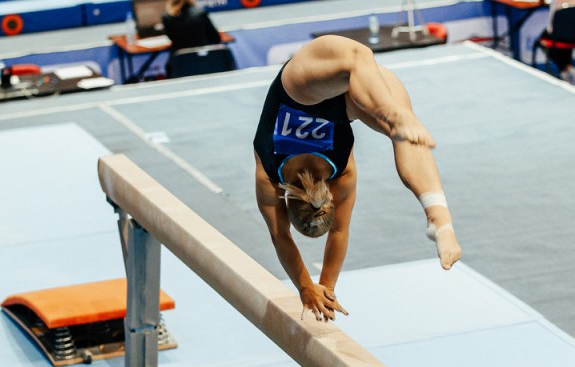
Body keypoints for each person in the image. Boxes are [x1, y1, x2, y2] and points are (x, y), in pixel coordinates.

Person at [253, 35, 462, 322]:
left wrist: (311, 287)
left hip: (325, 95)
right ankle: (439, 218)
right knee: (358, 59)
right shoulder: (270, 173)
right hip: (315, 90)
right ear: (289, 200)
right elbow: (282, 235)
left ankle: (439, 214)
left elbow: (326, 233)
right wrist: (318, 288)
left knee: (400, 131)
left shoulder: (341, 176)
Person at [162, 0, 221, 76]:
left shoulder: (167, 17)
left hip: (179, 64)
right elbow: (216, 38)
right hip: (203, 61)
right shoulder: (200, 14)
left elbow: (171, 37)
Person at [540, 0, 575, 85]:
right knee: (565, 38)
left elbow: (551, 28)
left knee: (548, 38)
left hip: (565, 35)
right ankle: (567, 68)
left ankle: (565, 69)